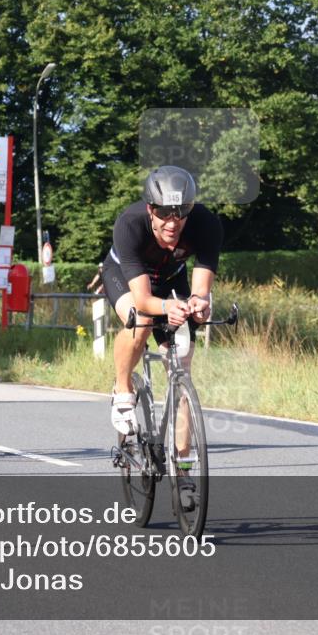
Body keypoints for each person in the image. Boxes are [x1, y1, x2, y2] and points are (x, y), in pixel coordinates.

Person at [101, 166, 222, 440]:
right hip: (124, 276)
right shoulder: (129, 224)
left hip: (170, 278)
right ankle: (122, 389)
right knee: (141, 318)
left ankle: (183, 468)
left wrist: (198, 305)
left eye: (181, 213)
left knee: (182, 369)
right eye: (164, 213)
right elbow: (143, 299)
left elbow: (201, 290)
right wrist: (168, 308)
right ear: (149, 209)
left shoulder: (206, 224)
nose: (172, 222)